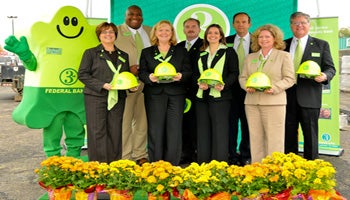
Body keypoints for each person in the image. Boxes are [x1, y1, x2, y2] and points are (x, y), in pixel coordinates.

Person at [239, 24, 295, 163]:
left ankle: (274, 171)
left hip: (274, 102)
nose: (263, 39)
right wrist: (247, 86)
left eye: (267, 36)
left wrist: (274, 88)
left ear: (275, 38)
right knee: (255, 138)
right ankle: (257, 170)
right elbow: (242, 77)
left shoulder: (284, 56)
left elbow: (290, 79)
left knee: (274, 138)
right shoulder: (250, 57)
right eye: (260, 37)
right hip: (252, 102)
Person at [138, 20, 192, 165]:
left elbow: (188, 72)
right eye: (160, 30)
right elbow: (142, 72)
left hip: (176, 94)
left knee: (174, 130)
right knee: (155, 130)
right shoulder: (147, 52)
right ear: (155, 32)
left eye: (167, 30)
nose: (164, 33)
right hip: (155, 94)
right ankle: (156, 163)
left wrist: (181, 76)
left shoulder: (181, 51)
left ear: (172, 33)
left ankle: (172, 164)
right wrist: (149, 77)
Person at [284, 12, 336, 160]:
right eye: (295, 23)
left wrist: (325, 76)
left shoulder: (321, 44)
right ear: (291, 26)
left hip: (310, 96)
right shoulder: (283, 45)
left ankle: (311, 167)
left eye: (303, 23)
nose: (299, 26)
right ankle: (290, 166)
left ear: (309, 25)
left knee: (310, 134)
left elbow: (330, 68)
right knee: (288, 134)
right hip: (286, 96)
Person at [78, 22, 131, 163]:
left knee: (115, 132)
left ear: (115, 35)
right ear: (99, 36)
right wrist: (102, 85)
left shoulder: (123, 55)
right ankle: (98, 167)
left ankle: (114, 165)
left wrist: (131, 86)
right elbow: (82, 75)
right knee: (97, 132)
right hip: (96, 97)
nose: (108, 35)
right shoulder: (90, 53)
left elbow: (124, 77)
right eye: (104, 32)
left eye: (111, 32)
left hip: (118, 98)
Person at [194, 24, 238, 164]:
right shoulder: (200, 53)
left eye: (216, 33)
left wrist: (224, 86)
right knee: (203, 131)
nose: (212, 35)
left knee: (220, 131)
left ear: (221, 36)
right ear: (206, 35)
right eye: (210, 33)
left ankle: (219, 165)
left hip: (221, 98)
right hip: (202, 97)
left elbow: (234, 73)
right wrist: (199, 83)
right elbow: (196, 73)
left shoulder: (229, 52)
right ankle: (203, 164)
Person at [115, 5, 151, 165]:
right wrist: (126, 69)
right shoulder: (115, 31)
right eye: (131, 14)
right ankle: (125, 156)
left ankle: (140, 154)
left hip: (148, 82)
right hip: (126, 83)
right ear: (125, 15)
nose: (135, 17)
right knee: (125, 121)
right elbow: (110, 56)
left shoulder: (151, 31)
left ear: (142, 16)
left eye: (138, 14)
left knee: (142, 121)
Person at [226, 12, 252, 166]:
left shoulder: (257, 41)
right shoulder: (226, 41)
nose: (240, 25)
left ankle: (246, 154)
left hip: (250, 89)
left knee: (248, 124)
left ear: (249, 24)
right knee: (231, 124)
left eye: (244, 22)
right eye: (237, 22)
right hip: (230, 88)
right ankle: (231, 154)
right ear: (233, 24)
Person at [177, 18, 203, 164]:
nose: (191, 29)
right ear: (183, 29)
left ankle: (196, 154)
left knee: (196, 124)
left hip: (198, 91)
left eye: (194, 26)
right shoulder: (178, 47)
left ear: (199, 29)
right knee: (183, 124)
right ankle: (184, 153)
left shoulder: (204, 46)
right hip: (180, 92)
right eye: (187, 26)